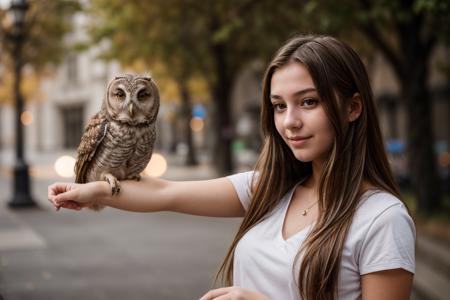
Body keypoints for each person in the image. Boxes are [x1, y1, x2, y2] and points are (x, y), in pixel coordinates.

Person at [48, 35, 415, 300]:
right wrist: (94, 190)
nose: (290, 122)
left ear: (353, 108)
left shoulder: (382, 219)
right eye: (279, 105)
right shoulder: (270, 188)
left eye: (308, 101)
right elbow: (166, 192)